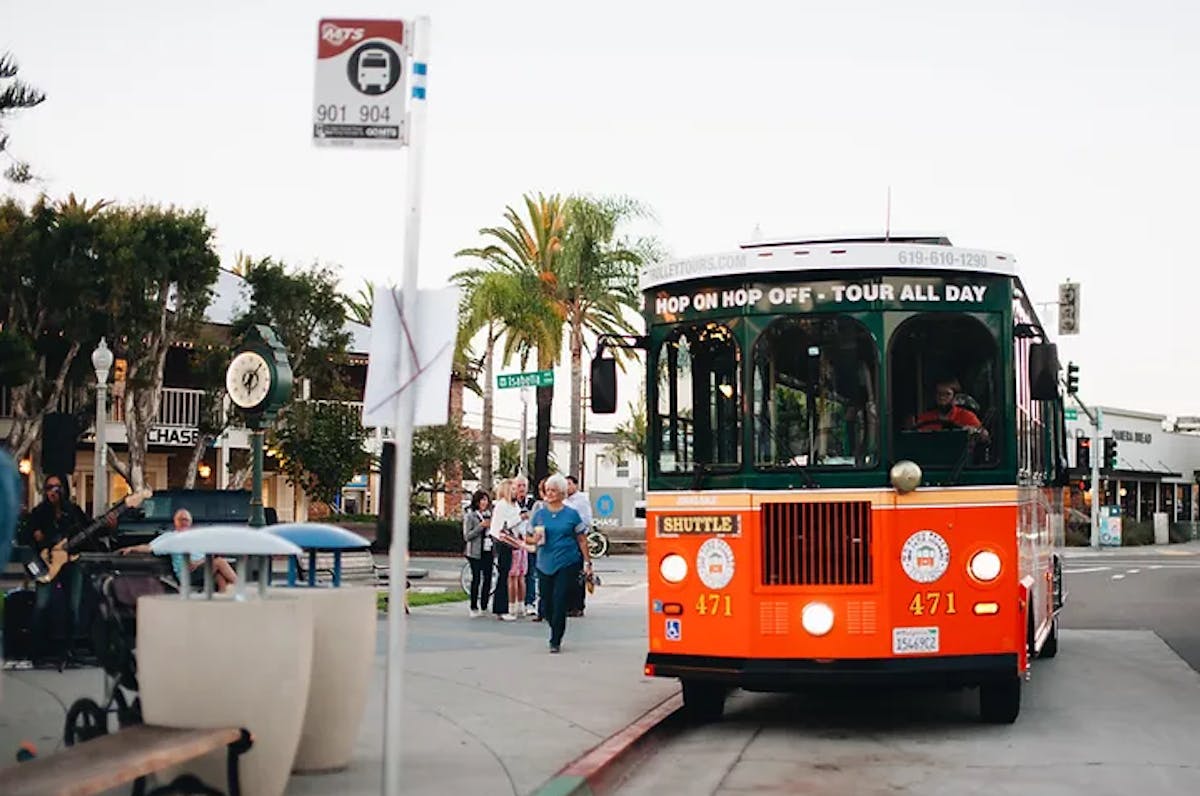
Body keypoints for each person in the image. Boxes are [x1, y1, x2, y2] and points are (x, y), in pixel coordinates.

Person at [24, 474, 115, 664]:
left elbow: (90, 532)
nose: (52, 491)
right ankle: (35, 650)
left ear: (64, 490)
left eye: (56, 487)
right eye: (49, 488)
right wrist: (42, 542)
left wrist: (108, 526)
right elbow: (29, 535)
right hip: (48, 564)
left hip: (72, 563)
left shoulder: (73, 511)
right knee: (41, 604)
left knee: (73, 607)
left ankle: (68, 649)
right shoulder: (39, 512)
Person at [531, 474, 592, 653]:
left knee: (559, 601)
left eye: (553, 490)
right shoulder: (539, 514)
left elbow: (582, 539)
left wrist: (587, 561)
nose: (549, 493)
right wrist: (534, 539)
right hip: (544, 562)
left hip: (566, 562)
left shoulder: (571, 514)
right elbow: (528, 537)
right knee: (547, 602)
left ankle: (555, 639)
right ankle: (553, 623)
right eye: (547, 490)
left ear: (562, 493)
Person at [121, 509, 238, 592]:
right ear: (175, 521)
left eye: (186, 520)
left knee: (220, 575)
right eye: (181, 519)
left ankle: (223, 601)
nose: (184, 522)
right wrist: (132, 548)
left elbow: (210, 554)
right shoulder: (170, 537)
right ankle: (241, 586)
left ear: (190, 522)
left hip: (200, 568)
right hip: (187, 574)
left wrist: (200, 562)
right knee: (220, 563)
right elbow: (149, 548)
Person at [489, 480, 522, 621]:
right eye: (513, 489)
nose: (516, 491)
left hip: (512, 541)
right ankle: (500, 609)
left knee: (506, 574)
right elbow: (503, 525)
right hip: (502, 542)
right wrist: (520, 518)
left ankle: (503, 607)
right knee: (503, 575)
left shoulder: (514, 505)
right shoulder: (502, 505)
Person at [461, 489, 495, 617]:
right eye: (482, 500)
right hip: (475, 552)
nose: (484, 502)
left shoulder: (490, 515)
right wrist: (481, 526)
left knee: (488, 578)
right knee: (476, 578)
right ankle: (473, 606)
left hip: (488, 550)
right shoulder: (471, 516)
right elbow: (467, 536)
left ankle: (484, 605)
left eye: (486, 500)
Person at [564, 475, 593, 617]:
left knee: (577, 573)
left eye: (569, 484)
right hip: (565, 540)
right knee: (567, 574)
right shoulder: (564, 500)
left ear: (575, 485)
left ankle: (578, 606)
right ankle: (568, 605)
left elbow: (586, 520)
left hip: (577, 538)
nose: (567, 487)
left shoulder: (581, 500)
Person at [915, 379, 985, 435]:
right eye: (939, 393)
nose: (942, 397)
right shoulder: (925, 418)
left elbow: (984, 436)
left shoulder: (967, 416)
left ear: (955, 396)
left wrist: (974, 431)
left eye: (947, 394)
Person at [513, 476, 538, 618]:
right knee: (515, 574)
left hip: (529, 541)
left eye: (524, 485)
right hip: (515, 542)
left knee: (530, 572)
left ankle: (530, 602)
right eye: (519, 485)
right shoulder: (511, 503)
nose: (521, 488)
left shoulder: (532, 503)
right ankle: (516, 601)